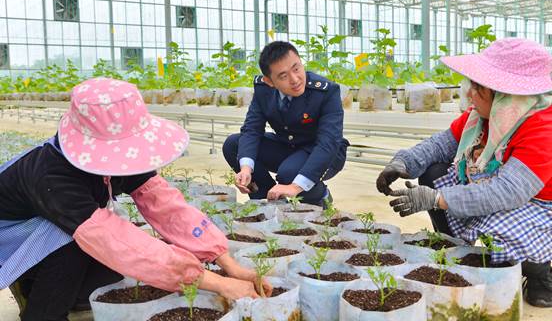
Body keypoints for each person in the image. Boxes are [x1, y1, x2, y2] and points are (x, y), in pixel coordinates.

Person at [1, 78, 271, 321]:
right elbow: (115, 242)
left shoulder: (123, 158)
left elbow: (167, 207)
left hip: (52, 230)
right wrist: (218, 284)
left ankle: (42, 285)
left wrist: (230, 265)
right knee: (71, 243)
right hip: (11, 241)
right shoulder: (51, 176)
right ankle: (40, 308)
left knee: (107, 276)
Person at [376, 38, 552, 307]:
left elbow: (508, 192)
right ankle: (458, 249)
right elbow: (441, 145)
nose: (469, 93)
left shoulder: (542, 128)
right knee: (433, 173)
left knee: (501, 226)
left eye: (478, 87)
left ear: (505, 95)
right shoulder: (480, 117)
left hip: (539, 206)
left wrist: (436, 199)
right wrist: (403, 163)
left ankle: (540, 273)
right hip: (500, 194)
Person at [222, 41, 349, 207]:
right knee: (233, 145)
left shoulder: (325, 91)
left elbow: (328, 142)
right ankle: (268, 201)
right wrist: (245, 169)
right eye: (283, 76)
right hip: (289, 147)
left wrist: (295, 186)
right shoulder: (264, 90)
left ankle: (320, 197)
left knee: (289, 173)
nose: (295, 79)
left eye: (296, 68)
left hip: (325, 152)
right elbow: (252, 129)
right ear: (269, 81)